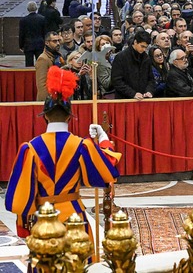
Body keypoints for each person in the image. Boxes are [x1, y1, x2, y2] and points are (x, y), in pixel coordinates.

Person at [5, 65, 120, 238]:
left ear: (44, 116)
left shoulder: (29, 149)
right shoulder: (82, 145)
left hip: (43, 220)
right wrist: (103, 138)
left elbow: (22, 198)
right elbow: (107, 172)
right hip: (75, 219)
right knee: (80, 263)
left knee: (45, 264)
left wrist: (23, 226)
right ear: (69, 117)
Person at [111, 30, 156, 99]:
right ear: (135, 42)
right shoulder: (121, 57)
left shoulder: (146, 58)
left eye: (146, 47)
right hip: (125, 99)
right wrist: (133, 93)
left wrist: (149, 91)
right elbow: (116, 81)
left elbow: (151, 79)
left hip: (143, 98)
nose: (144, 49)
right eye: (142, 46)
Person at [35, 31, 65, 101]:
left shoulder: (58, 56)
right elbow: (42, 85)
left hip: (59, 97)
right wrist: (47, 102)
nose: (58, 43)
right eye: (54, 41)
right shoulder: (43, 59)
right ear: (47, 43)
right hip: (49, 100)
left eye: (58, 40)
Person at [19, 1, 46, 67]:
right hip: (40, 43)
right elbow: (44, 32)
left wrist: (21, 45)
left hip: (28, 44)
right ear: (36, 8)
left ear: (28, 9)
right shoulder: (42, 18)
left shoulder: (23, 20)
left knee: (29, 64)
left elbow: (21, 34)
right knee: (40, 64)